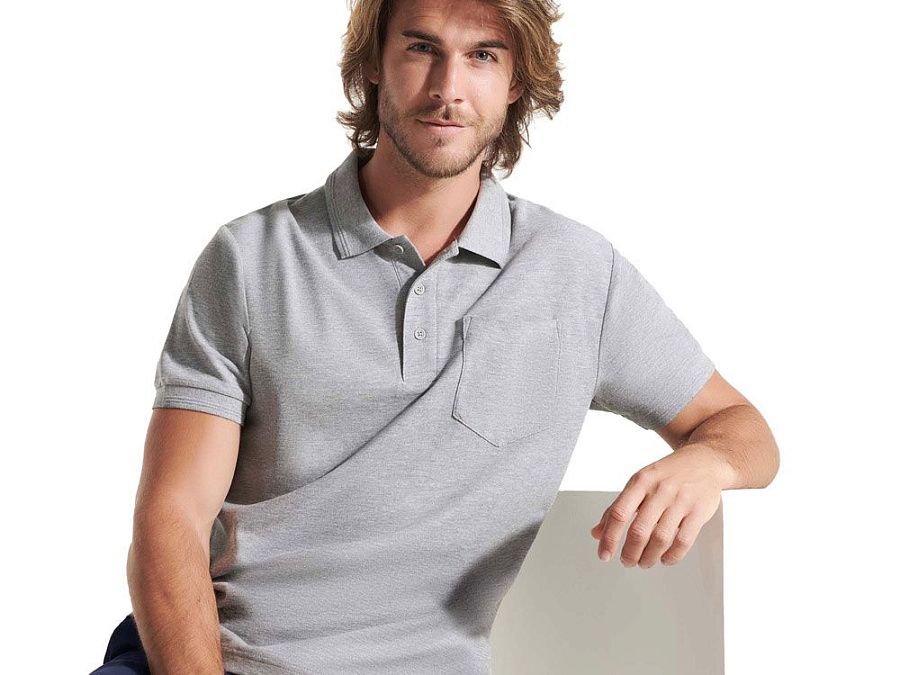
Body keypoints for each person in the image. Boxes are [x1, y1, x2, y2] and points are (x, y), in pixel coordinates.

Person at [92, 0, 780, 673]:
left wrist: (708, 463)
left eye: (482, 55)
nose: (448, 88)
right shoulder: (251, 259)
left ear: (516, 81)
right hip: (210, 656)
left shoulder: (579, 275)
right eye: (422, 48)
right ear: (373, 64)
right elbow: (172, 517)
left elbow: (742, 429)